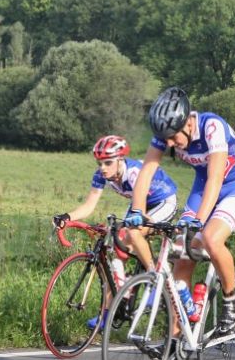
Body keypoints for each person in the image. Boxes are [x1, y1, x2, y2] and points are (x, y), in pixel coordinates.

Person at [129, 87, 235, 337]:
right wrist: (136, 210)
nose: (169, 143)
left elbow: (216, 178)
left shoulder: (211, 126)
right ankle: (178, 336)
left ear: (188, 122)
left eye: (172, 137)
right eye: (164, 138)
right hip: (203, 187)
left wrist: (198, 221)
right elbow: (146, 172)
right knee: (182, 253)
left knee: (210, 238)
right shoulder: (166, 134)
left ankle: (231, 301)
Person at [52, 135, 178, 329]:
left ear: (120, 160)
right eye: (99, 163)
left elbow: (141, 212)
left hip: (163, 201)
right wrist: (67, 217)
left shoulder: (134, 172)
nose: (103, 168)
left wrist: (129, 228)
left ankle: (154, 282)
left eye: (108, 163)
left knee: (132, 235)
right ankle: (109, 314)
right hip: (138, 203)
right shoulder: (101, 175)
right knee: (115, 253)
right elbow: (89, 205)